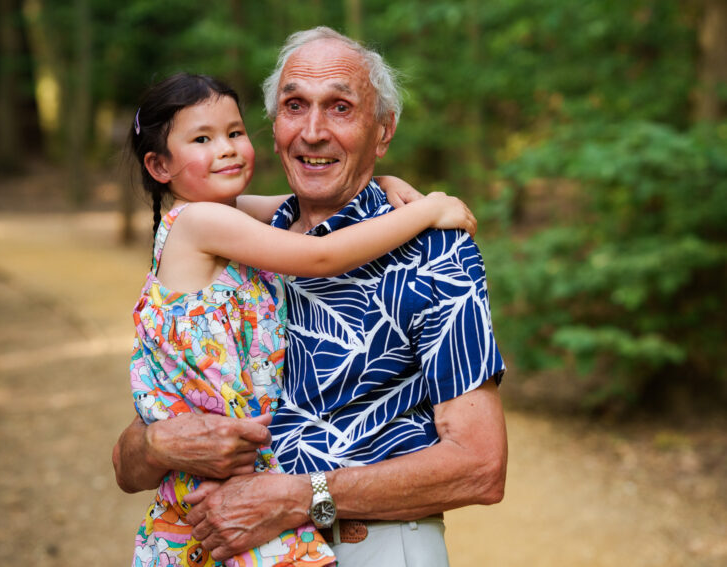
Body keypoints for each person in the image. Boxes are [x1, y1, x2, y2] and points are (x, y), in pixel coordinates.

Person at [123, 72, 478, 567]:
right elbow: (321, 255)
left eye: (234, 132)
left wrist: (382, 184)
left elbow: (311, 206)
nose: (225, 148)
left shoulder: (222, 212)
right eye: (202, 139)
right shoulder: (205, 222)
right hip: (227, 460)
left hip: (229, 452)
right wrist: (426, 212)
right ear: (159, 165)